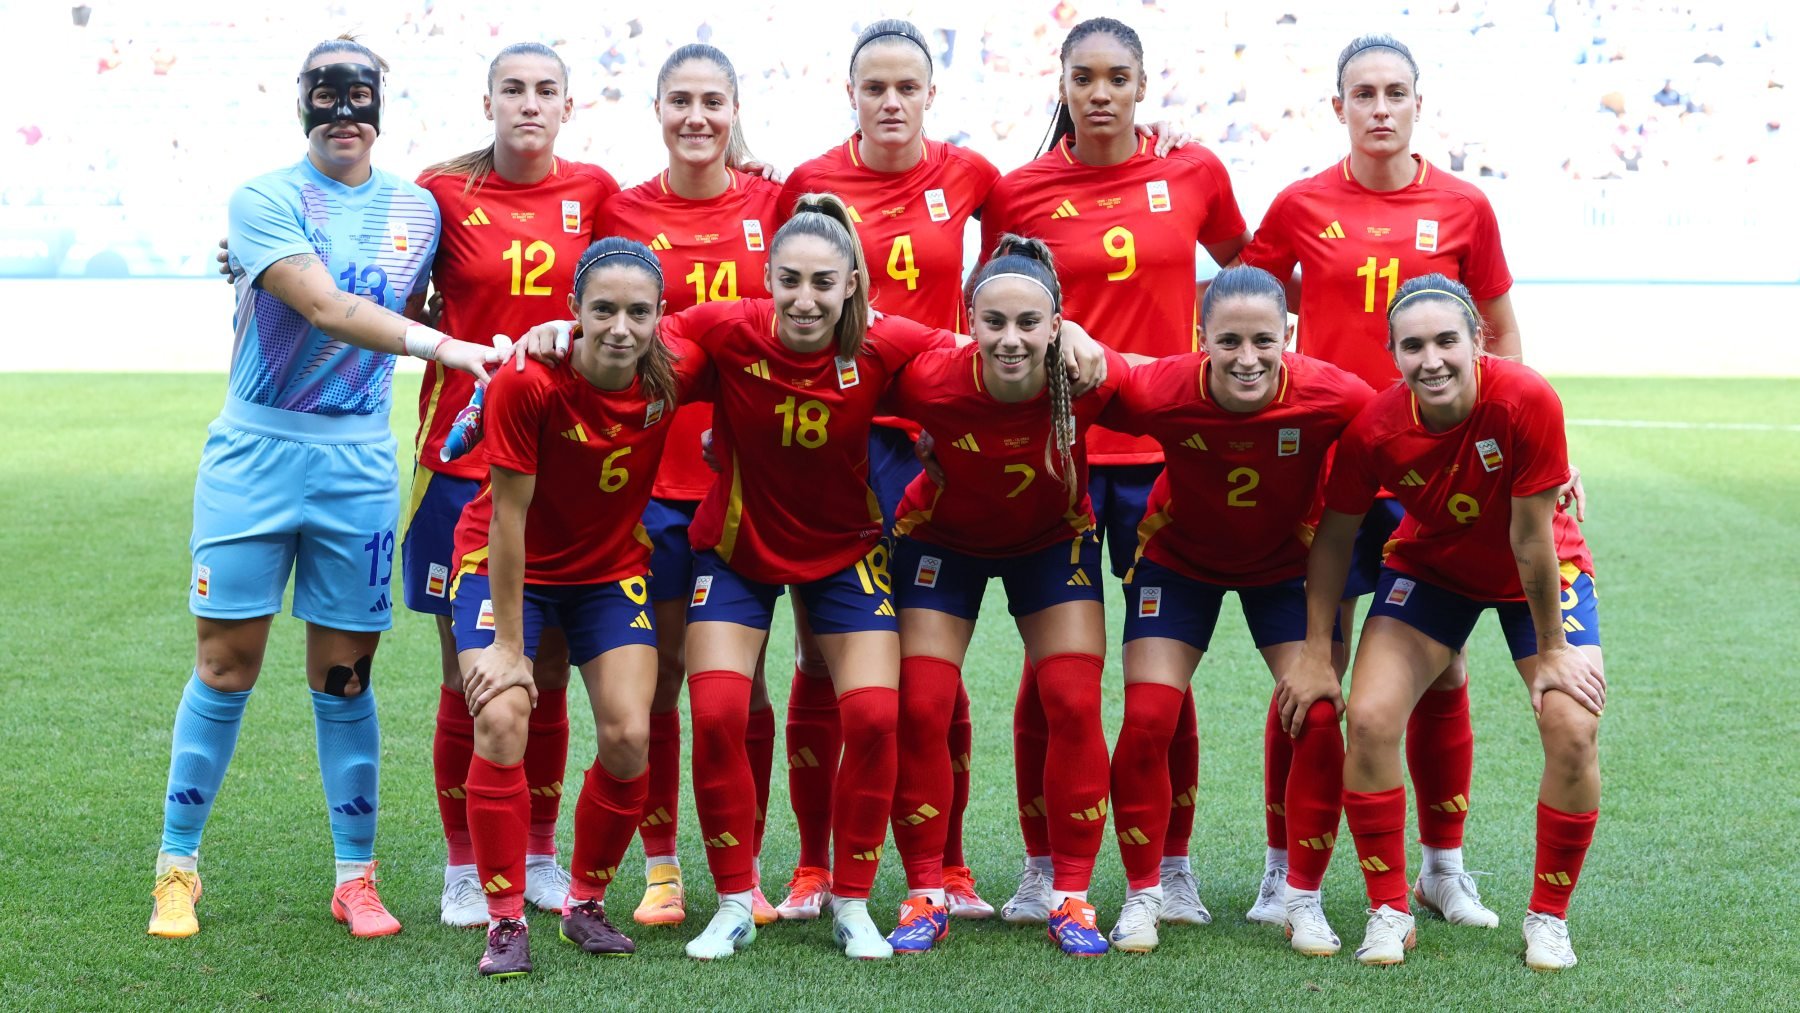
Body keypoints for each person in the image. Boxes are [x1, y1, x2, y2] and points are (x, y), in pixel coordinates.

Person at [148, 36, 506, 940]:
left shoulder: (420, 210)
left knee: (345, 678)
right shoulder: (266, 197)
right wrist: (446, 349)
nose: (344, 113)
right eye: (326, 95)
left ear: (383, 104)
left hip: (355, 466)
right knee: (226, 665)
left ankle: (357, 879)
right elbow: (326, 306)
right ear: (299, 103)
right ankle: (177, 865)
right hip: (255, 456)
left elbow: (455, 277)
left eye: (360, 95)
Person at [1238, 33, 1522, 929]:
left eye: (1395, 91)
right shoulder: (1299, 204)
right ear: (1339, 108)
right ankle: (1286, 871)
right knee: (1311, 664)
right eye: (1363, 93)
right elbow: (1241, 307)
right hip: (1330, 470)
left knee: (1442, 668)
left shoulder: (1466, 206)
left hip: (1437, 476)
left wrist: (1513, 449)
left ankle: (1444, 867)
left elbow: (1505, 340)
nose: (1381, 108)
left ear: (1417, 102)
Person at [980, 14, 1248, 927]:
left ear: (1143, 86)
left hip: (1166, 459)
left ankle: (1170, 865)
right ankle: (1042, 863)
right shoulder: (1019, 194)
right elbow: (992, 316)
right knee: (1049, 674)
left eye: (1117, 77)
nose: (1101, 92)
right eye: (1083, 76)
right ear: (1061, 85)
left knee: (1161, 675)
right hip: (1057, 457)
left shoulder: (1195, 172)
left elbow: (1246, 282)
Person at [1279, 274, 1603, 970]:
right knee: (1366, 717)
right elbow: (1334, 538)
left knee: (1572, 725)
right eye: (1414, 345)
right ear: (1394, 354)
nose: (1432, 359)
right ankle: (1389, 907)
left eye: (1447, 340)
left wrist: (1552, 651)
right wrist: (1314, 650)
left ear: (1478, 342)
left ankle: (1548, 917)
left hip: (1539, 573)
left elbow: (1530, 537)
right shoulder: (1376, 428)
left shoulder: (1525, 397)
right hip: (1433, 569)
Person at [773, 16, 1003, 923]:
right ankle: (811, 863)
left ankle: (944, 863)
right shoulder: (810, 182)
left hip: (932, 440)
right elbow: (781, 294)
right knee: (819, 654)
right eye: (876, 87)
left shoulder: (971, 176)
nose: (892, 101)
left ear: (932, 94)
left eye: (908, 86)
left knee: (928, 653)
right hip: (832, 438)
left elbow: (1024, 269)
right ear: (852, 93)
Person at [451, 238, 710, 978]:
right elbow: (507, 518)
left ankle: (583, 903)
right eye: (603, 309)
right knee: (501, 713)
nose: (621, 326)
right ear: (574, 313)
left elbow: (757, 323)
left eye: (638, 311)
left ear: (662, 316)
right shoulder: (529, 381)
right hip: (511, 566)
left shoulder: (675, 368)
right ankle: (504, 921)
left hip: (608, 571)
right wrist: (507, 646)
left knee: (631, 734)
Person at [1097, 266, 1373, 954]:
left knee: (1316, 712)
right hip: (1178, 560)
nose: (1246, 357)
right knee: (1149, 715)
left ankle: (1298, 896)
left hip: (1285, 564)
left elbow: (1408, 435)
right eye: (1228, 341)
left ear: (1288, 336)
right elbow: (1072, 388)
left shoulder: (1333, 392)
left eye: (1262, 340)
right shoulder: (1162, 387)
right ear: (1202, 339)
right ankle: (1149, 889)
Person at [410, 40, 621, 930]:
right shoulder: (441, 192)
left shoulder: (597, 191)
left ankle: (535, 851)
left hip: (553, 469)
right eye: (513, 90)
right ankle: (465, 866)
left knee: (548, 668)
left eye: (545, 91)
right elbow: (390, 293)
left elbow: (632, 295)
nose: (528, 103)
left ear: (567, 106)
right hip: (457, 468)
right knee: (471, 680)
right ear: (488, 99)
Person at [882, 236, 1126, 956]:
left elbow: (1176, 393)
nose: (1011, 339)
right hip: (941, 541)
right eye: (994, 323)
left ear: (1058, 324)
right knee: (921, 704)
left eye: (1030, 323)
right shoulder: (929, 377)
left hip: (1053, 540)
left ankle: (1071, 896)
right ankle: (925, 889)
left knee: (1075, 701)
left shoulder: (1088, 378)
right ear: (969, 320)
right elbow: (840, 367)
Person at [602, 42, 785, 929]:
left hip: (751, 487)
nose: (697, 118)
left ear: (736, 106)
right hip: (647, 485)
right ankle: (665, 864)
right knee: (670, 679)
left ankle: (744, 861)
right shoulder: (623, 208)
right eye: (681, 101)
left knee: (743, 688)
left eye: (714, 100)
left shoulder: (773, 202)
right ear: (659, 109)